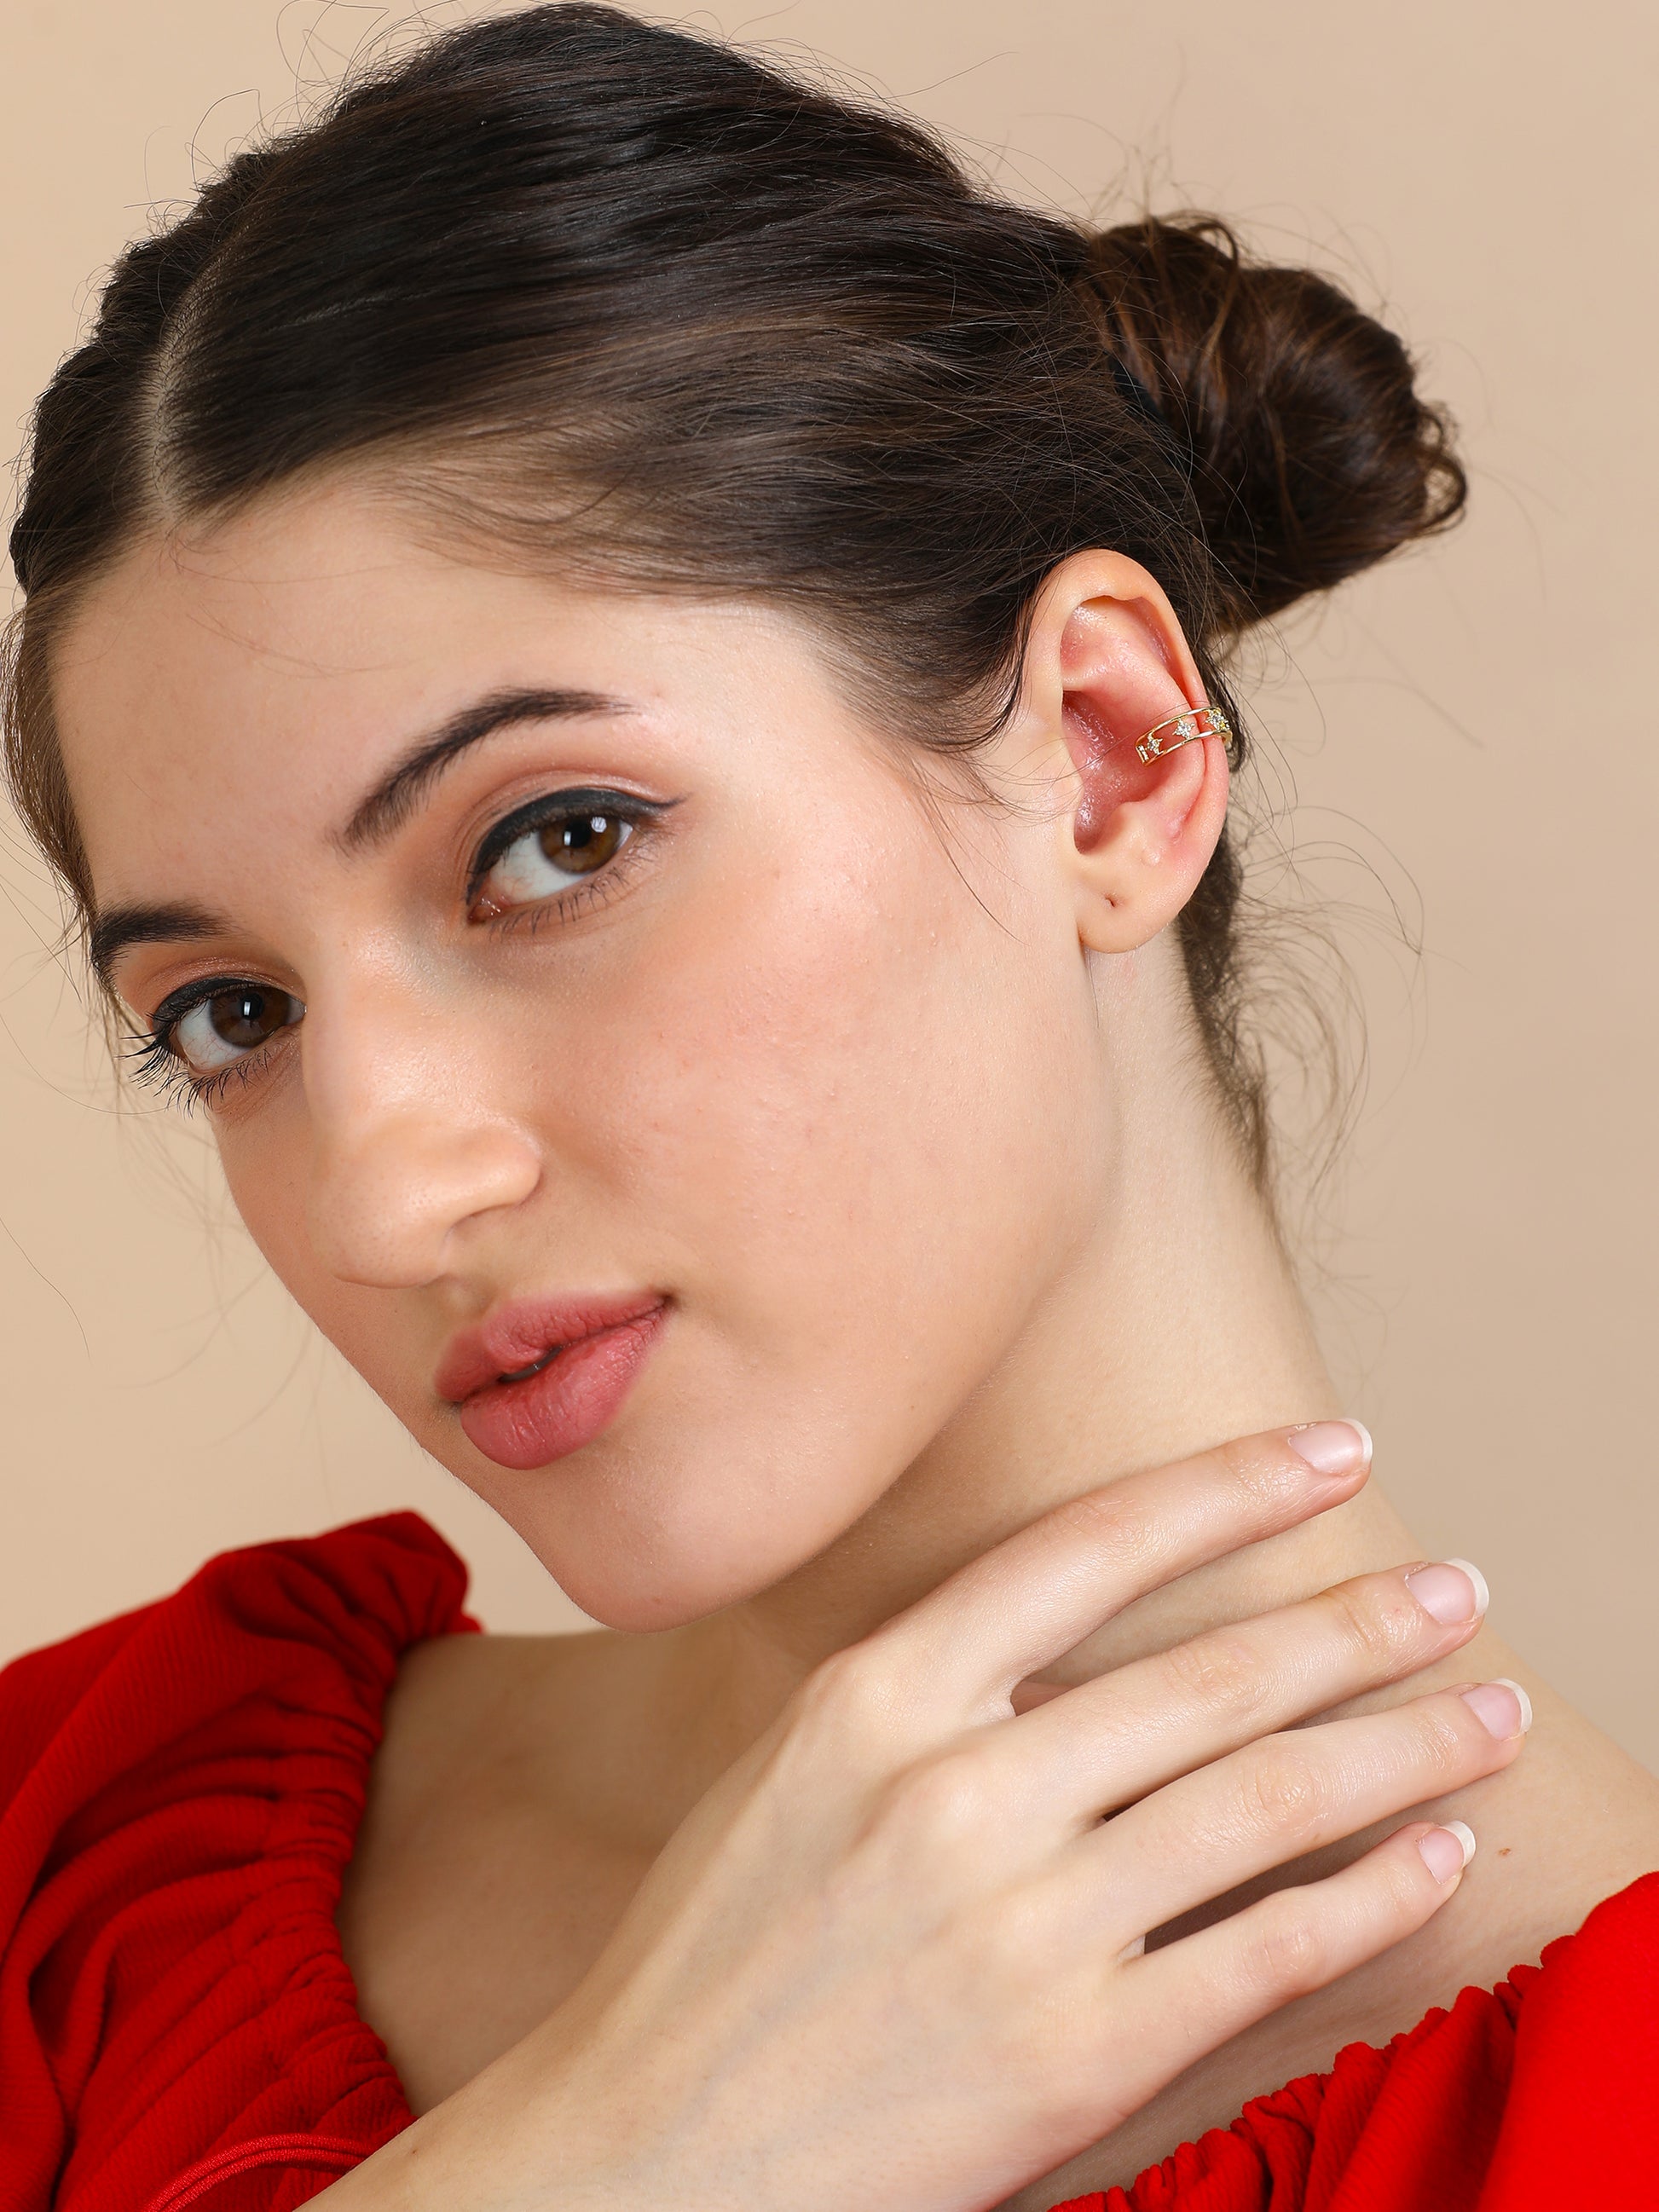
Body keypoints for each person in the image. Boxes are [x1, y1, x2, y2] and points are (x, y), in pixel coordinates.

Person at [2, 7, 1656, 2209]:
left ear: (1103, 751)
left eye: (556, 841)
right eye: (226, 1013)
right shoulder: (71, 1861)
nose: (385, 1189)